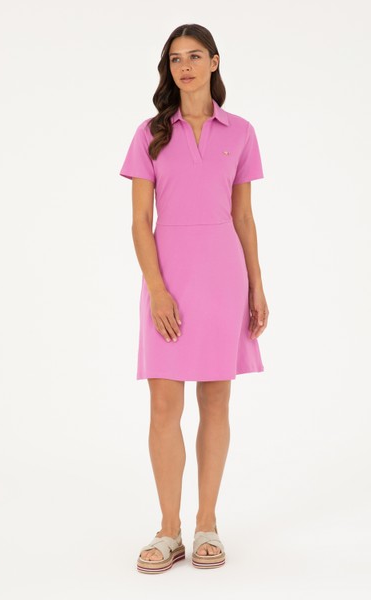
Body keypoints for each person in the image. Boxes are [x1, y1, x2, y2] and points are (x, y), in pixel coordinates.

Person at [119, 23, 269, 573]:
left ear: (214, 62)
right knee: (164, 405)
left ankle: (207, 523)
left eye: (195, 56)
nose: (184, 66)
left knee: (216, 401)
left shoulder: (241, 132)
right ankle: (168, 530)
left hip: (224, 279)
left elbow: (243, 217)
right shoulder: (150, 133)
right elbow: (140, 221)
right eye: (175, 58)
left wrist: (257, 285)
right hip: (169, 280)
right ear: (168, 68)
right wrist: (158, 290)